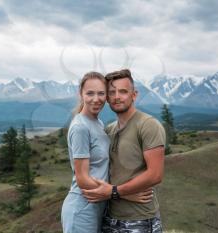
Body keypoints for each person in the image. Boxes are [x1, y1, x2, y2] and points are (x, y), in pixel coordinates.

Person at [61, 71, 153, 233]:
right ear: (81, 94)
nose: (96, 99)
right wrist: (122, 194)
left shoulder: (97, 123)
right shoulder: (80, 127)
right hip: (82, 208)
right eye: (90, 93)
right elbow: (82, 178)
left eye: (101, 93)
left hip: (98, 207)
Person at [82, 69, 166, 233]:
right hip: (110, 217)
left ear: (134, 95)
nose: (117, 96)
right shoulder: (109, 130)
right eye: (112, 92)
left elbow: (155, 174)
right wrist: (116, 194)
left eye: (123, 91)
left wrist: (114, 191)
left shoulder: (148, 125)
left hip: (140, 219)